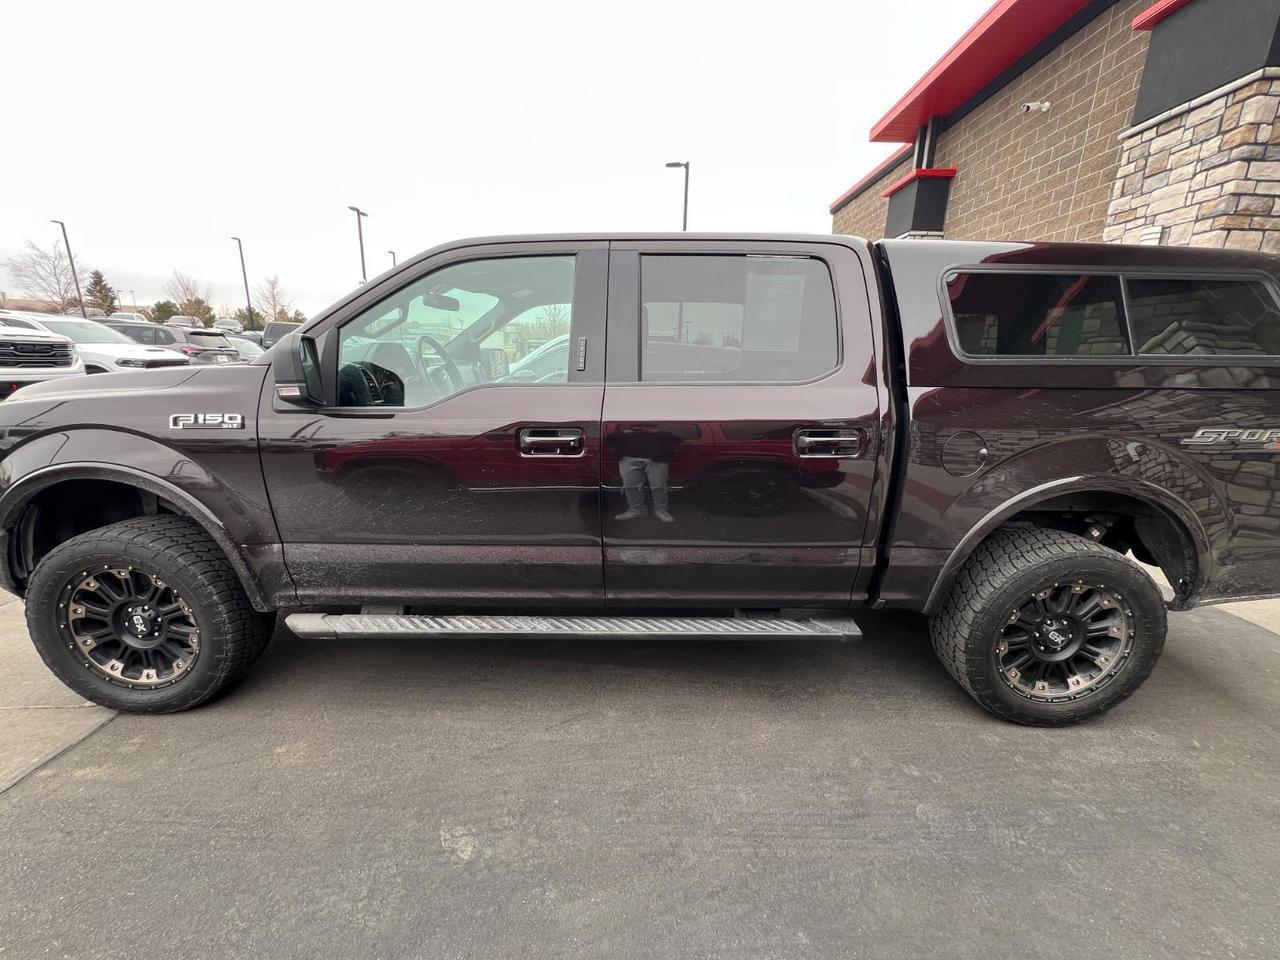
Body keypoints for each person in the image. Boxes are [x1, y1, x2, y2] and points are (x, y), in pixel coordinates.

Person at [605, 423, 682, 522]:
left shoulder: (660, 434)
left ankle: (661, 510)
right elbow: (608, 440)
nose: (641, 429)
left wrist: (654, 432)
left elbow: (677, 440)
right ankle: (636, 510)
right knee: (630, 486)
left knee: (659, 486)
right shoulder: (625, 434)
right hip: (628, 459)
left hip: (657, 460)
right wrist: (625, 432)